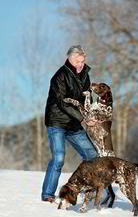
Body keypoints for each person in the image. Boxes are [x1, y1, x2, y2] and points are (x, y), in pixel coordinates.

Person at [41, 45, 99, 203]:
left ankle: (89, 189)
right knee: (59, 158)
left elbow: (88, 100)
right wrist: (82, 118)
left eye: (82, 61)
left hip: (74, 124)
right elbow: (62, 103)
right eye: (77, 61)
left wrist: (90, 115)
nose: (80, 64)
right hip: (57, 122)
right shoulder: (59, 76)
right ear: (69, 59)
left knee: (93, 157)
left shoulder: (85, 75)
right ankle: (48, 195)